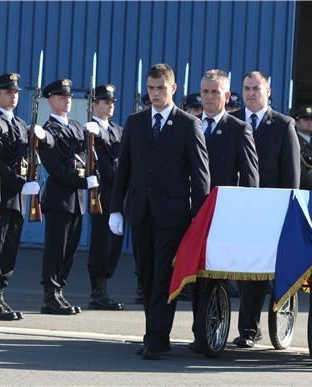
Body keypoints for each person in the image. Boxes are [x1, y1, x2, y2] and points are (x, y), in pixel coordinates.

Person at [109, 63, 209, 360]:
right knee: (146, 276)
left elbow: (200, 176)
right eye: (150, 88)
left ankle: (155, 336)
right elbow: (123, 169)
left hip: (172, 215)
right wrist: (116, 208)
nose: (154, 94)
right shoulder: (135, 122)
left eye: (160, 88)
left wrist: (198, 217)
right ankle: (156, 333)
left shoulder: (188, 124)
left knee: (164, 275)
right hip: (140, 211)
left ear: (173, 89)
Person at [188, 69, 259, 353]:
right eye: (205, 92)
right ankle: (199, 332)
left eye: (215, 92)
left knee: (214, 276)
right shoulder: (190, 124)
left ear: (227, 96)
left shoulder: (238, 128)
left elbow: (250, 178)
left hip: (222, 215)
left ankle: (210, 331)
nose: (208, 97)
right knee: (194, 276)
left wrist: (244, 214)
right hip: (192, 213)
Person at [230, 71, 300, 349]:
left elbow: (291, 176)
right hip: (237, 209)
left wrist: (285, 212)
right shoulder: (231, 120)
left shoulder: (283, 125)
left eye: (256, 88)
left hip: (270, 211)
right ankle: (240, 327)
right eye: (246, 88)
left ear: (268, 91)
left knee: (261, 273)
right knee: (242, 272)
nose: (250, 93)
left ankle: (255, 327)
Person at [0, 73, 53, 320]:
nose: (14, 95)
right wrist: (22, 184)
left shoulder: (22, 125)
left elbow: (31, 158)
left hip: (19, 198)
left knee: (10, 247)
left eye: (17, 92)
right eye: (8, 91)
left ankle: (1, 293)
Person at [39, 79, 100, 315]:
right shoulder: (48, 130)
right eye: (61, 97)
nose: (67, 101)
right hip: (59, 198)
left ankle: (60, 290)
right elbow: (56, 168)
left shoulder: (76, 126)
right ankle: (49, 294)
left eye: (69, 97)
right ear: (51, 101)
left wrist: (94, 136)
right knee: (56, 249)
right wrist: (83, 181)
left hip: (77, 201)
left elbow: (85, 158)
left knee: (70, 250)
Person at [86, 83, 125, 310]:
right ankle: (97, 290)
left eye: (112, 102)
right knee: (101, 242)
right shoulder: (90, 130)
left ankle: (105, 284)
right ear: (94, 104)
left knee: (115, 242)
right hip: (101, 193)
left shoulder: (117, 130)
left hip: (118, 193)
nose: (110, 105)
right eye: (106, 101)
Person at [293, 105, 312, 190]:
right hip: (303, 189)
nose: (309, 122)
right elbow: (300, 171)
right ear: (297, 122)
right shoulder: (294, 141)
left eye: (311, 120)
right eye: (305, 119)